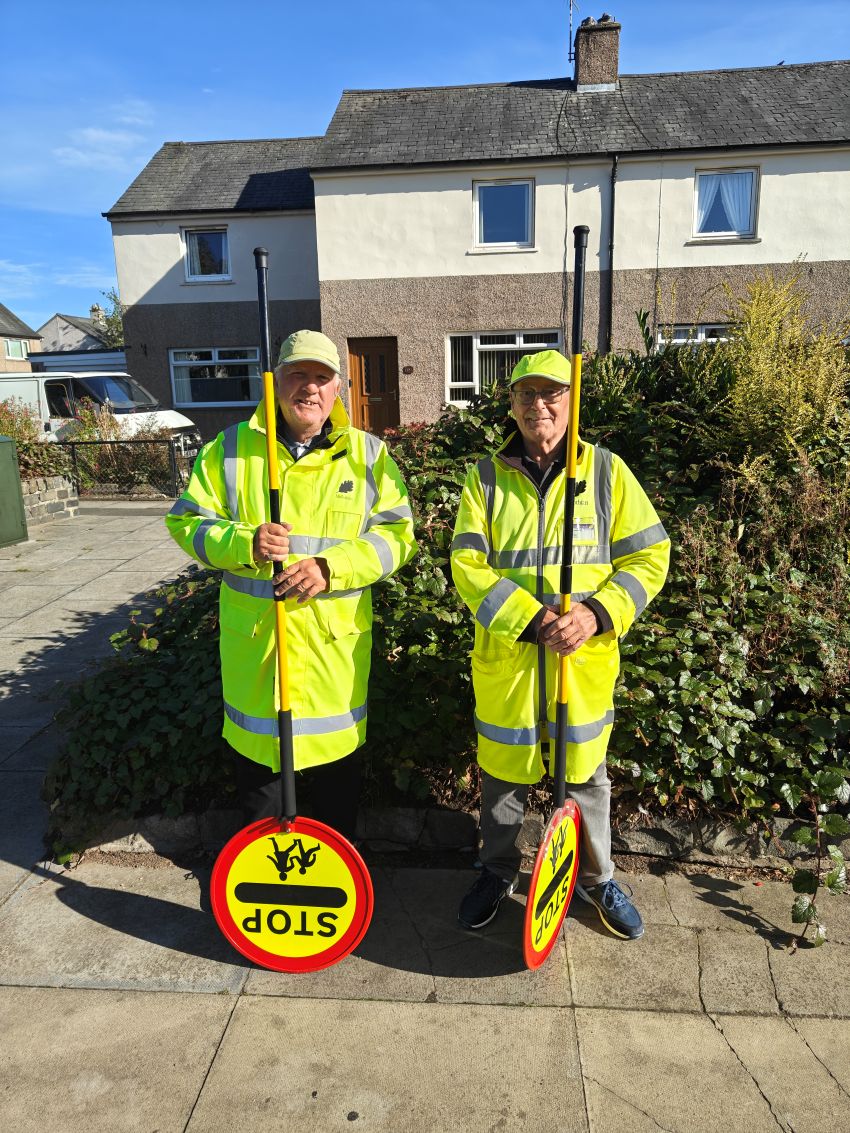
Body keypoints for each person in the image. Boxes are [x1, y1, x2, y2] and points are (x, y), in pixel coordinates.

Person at [450, 349, 670, 939]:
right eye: (527, 394)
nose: (539, 405)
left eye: (552, 394)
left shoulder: (604, 472)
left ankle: (597, 880)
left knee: (587, 775)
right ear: (512, 404)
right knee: (502, 774)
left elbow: (651, 556)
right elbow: (466, 564)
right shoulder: (487, 476)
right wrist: (528, 619)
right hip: (513, 662)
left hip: (581, 661)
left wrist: (597, 614)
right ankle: (496, 873)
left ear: (572, 402)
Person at [166, 330, 417, 838]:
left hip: (332, 667)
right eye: (297, 375)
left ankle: (334, 908)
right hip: (258, 668)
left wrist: (332, 568)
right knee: (261, 816)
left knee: (334, 816)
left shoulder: (368, 456)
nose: (310, 388)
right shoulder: (231, 449)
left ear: (338, 388)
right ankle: (260, 904)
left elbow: (398, 536)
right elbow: (187, 522)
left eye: (322, 378)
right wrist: (244, 544)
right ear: (276, 383)